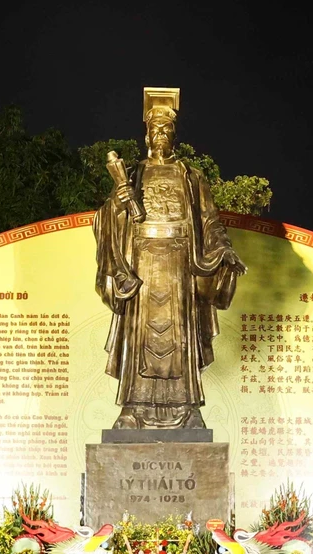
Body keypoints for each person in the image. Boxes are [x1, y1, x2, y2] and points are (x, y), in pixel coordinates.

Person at [93, 94, 246, 430]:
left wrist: (223, 249)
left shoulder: (191, 176)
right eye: (155, 129)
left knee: (181, 339)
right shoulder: (133, 174)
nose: (160, 133)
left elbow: (209, 221)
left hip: (180, 264)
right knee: (140, 338)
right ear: (146, 135)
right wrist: (118, 205)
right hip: (141, 266)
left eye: (166, 128)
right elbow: (105, 220)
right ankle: (133, 409)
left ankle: (187, 409)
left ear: (174, 135)